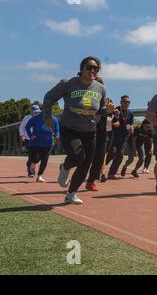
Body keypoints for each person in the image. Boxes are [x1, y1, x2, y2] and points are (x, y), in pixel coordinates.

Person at [42, 56, 114, 205]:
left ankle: (71, 193)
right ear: (81, 69)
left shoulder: (100, 88)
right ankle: (65, 167)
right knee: (77, 156)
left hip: (89, 130)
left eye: (96, 68)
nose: (92, 71)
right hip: (70, 127)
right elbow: (49, 97)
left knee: (86, 163)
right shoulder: (68, 83)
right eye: (89, 67)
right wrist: (47, 116)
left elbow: (99, 110)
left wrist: (107, 110)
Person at [85, 78, 115, 191]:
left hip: (102, 131)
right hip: (88, 130)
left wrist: (113, 112)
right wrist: (103, 110)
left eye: (100, 85)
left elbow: (109, 116)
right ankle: (67, 169)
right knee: (86, 158)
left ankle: (91, 181)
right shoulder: (87, 97)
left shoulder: (106, 100)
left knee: (100, 158)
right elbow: (87, 109)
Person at [25, 109, 60, 182]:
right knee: (36, 159)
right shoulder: (35, 118)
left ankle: (39, 176)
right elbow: (27, 127)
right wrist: (31, 135)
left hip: (48, 143)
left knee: (44, 160)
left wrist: (57, 134)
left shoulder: (53, 119)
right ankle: (33, 163)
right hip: (35, 143)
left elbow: (57, 129)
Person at [107, 95, 134, 179]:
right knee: (112, 153)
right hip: (114, 136)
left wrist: (131, 128)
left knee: (120, 155)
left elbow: (130, 124)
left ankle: (111, 174)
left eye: (128, 102)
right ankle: (98, 169)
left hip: (124, 137)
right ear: (121, 102)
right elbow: (109, 120)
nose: (127, 103)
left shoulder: (130, 113)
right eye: (125, 102)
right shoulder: (116, 110)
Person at [19, 104, 42, 177]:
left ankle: (30, 166)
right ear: (31, 112)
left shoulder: (41, 118)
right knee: (31, 156)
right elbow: (21, 127)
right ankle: (31, 172)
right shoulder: (26, 118)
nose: (36, 113)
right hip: (28, 140)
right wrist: (22, 135)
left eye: (37, 112)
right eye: (35, 112)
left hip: (38, 140)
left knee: (37, 156)